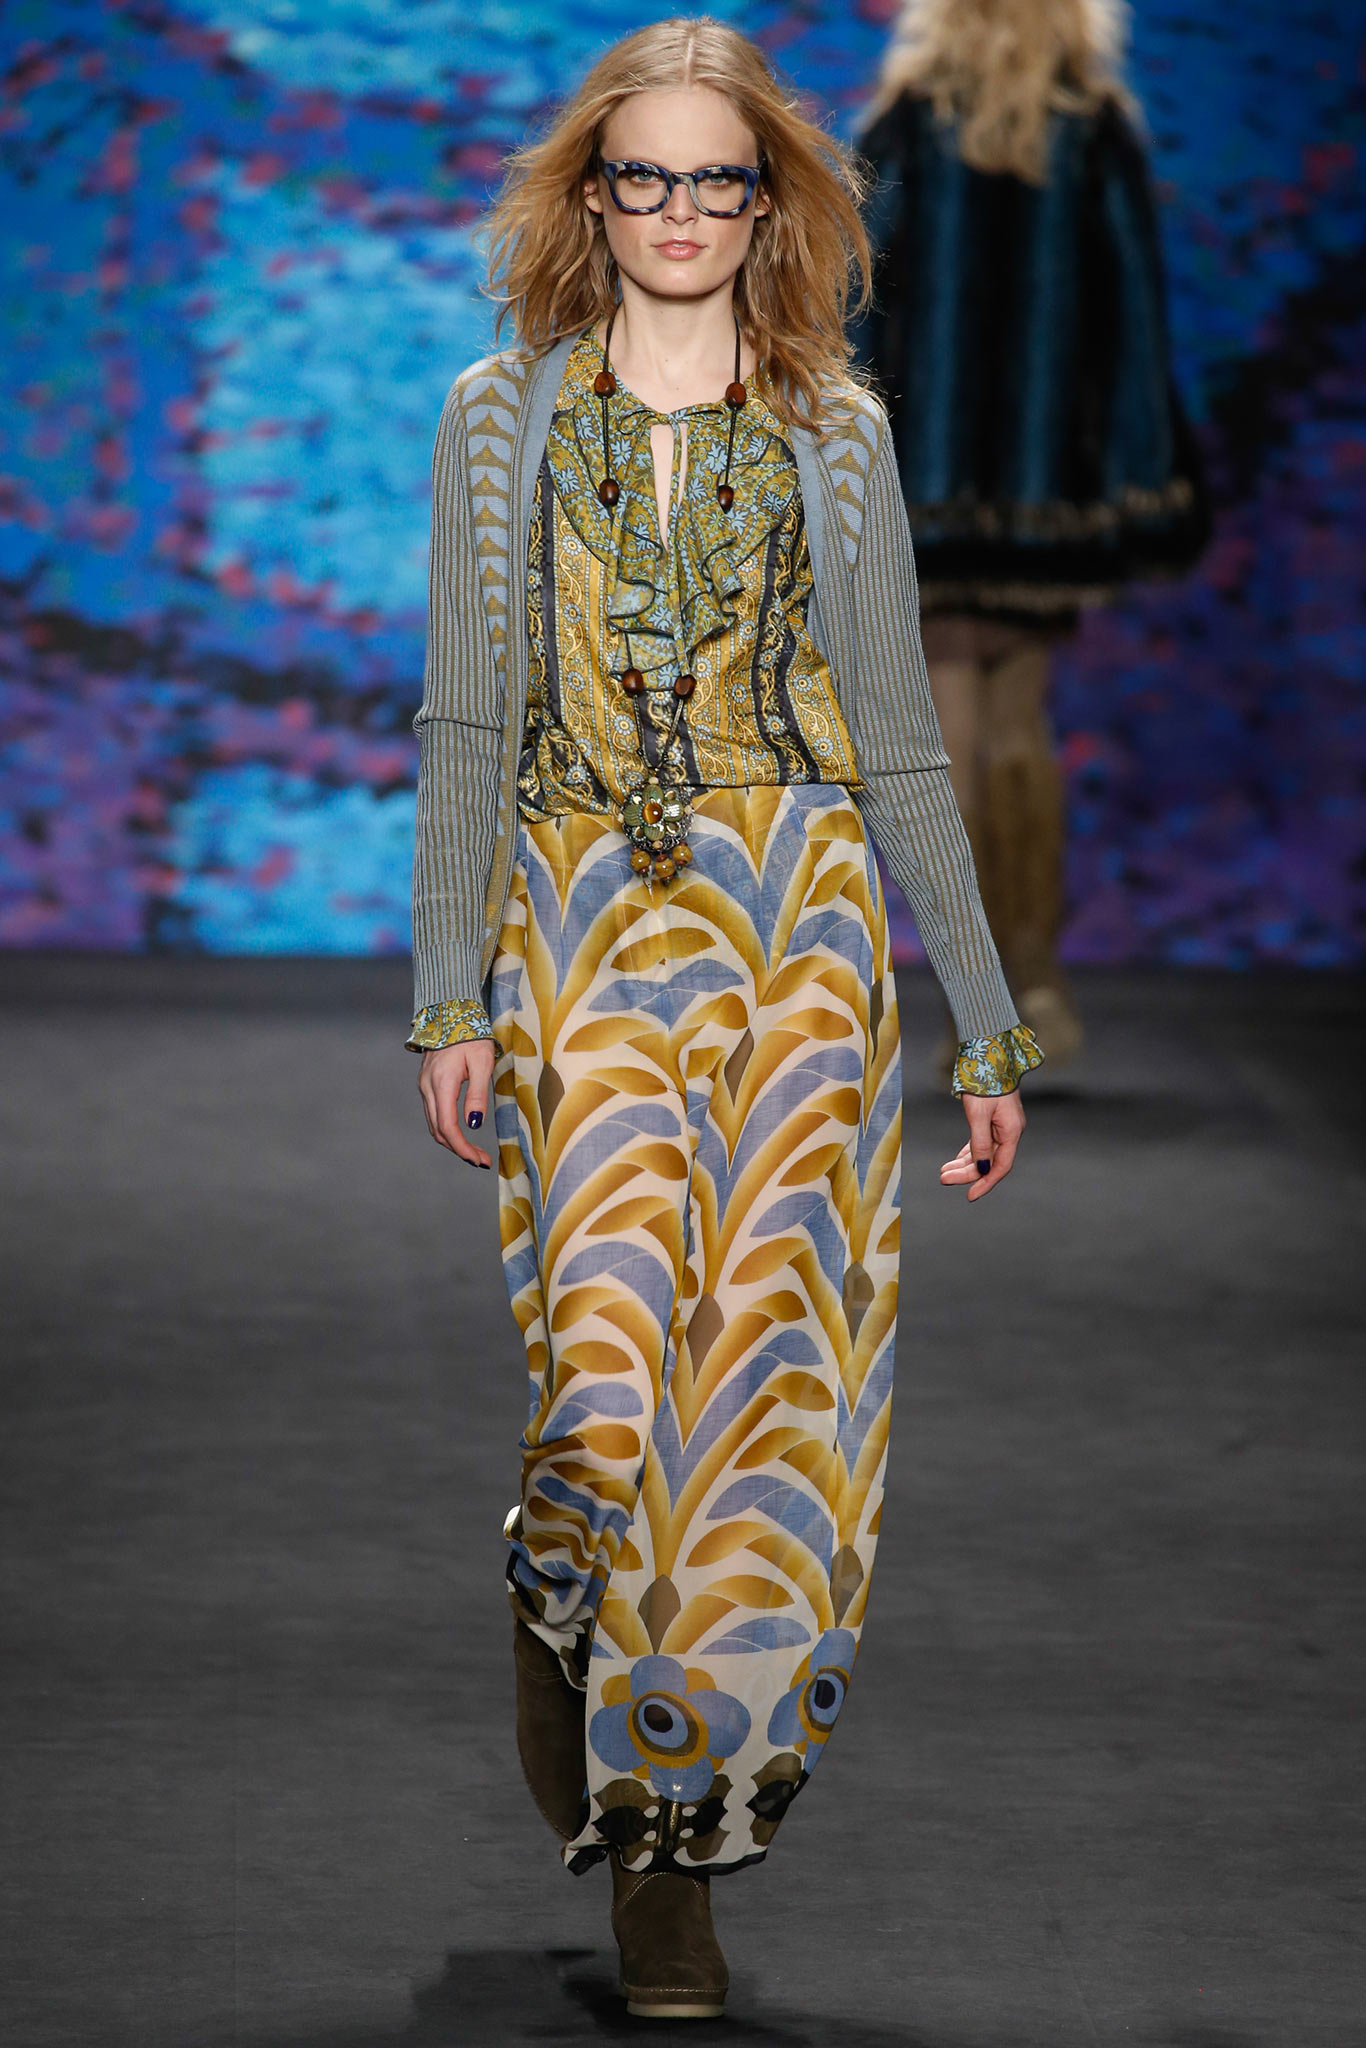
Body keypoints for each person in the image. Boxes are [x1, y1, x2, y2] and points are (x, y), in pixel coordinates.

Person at [408, 15, 1042, 2021]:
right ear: (588, 197)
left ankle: (669, 1859)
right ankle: (559, 1594)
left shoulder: (832, 431)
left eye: (715, 177)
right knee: (603, 1386)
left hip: (801, 954)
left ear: (769, 202)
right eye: (644, 176)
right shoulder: (496, 418)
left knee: (758, 1412)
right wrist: (443, 991)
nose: (678, 210)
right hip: (580, 926)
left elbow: (900, 738)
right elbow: (469, 716)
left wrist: (982, 1020)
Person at [854, 0, 1209, 1079]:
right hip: (1046, 484)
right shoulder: (1093, 130)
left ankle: (979, 1011)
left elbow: (855, 304)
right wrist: (1139, 474)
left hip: (921, 472)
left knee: (947, 735)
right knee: (1020, 723)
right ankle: (1037, 983)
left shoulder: (906, 128)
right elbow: (1133, 316)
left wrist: (835, 460)